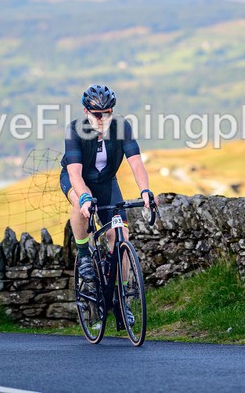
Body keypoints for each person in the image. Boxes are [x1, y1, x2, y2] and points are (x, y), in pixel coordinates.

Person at [59, 84, 157, 323]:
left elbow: (136, 163)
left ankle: (121, 299)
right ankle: (83, 253)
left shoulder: (122, 128)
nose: (103, 118)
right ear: (86, 111)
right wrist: (84, 196)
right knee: (80, 206)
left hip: (107, 183)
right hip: (77, 181)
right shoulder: (75, 130)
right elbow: (74, 173)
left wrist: (145, 191)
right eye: (97, 114)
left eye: (108, 112)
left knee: (120, 235)